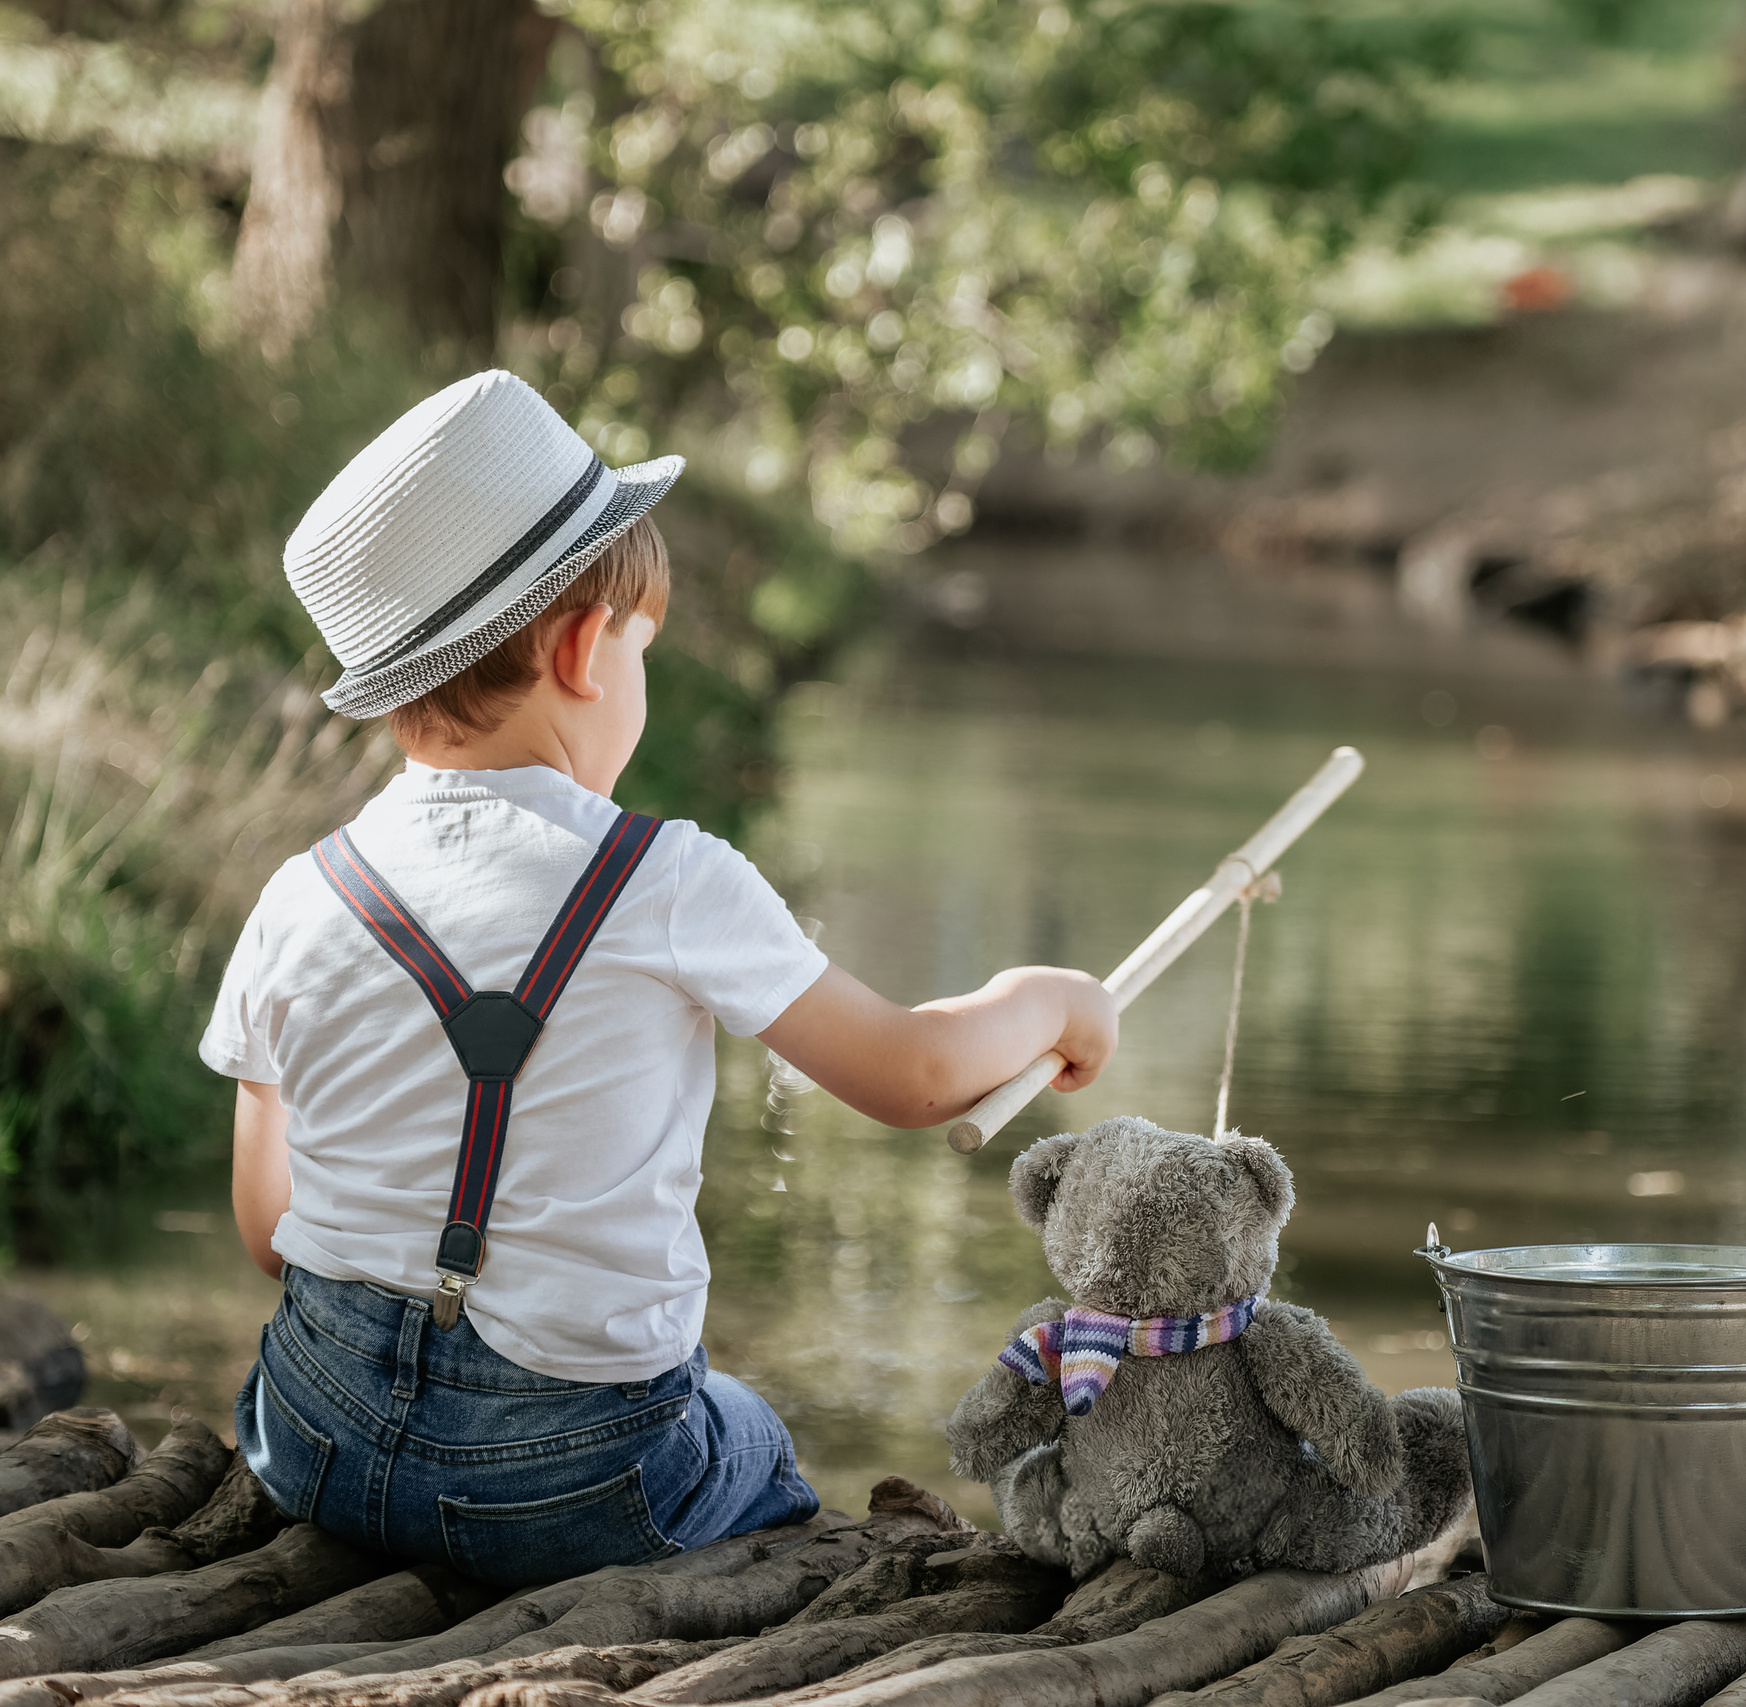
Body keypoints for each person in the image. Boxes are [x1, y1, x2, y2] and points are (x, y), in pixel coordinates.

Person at [199, 371, 1117, 1585]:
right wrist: (1048, 1000)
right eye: (642, 648)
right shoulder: (666, 880)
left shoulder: (299, 895)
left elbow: (270, 1233)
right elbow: (918, 1075)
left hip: (306, 1440)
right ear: (584, 648)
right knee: (747, 1430)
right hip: (565, 1484)